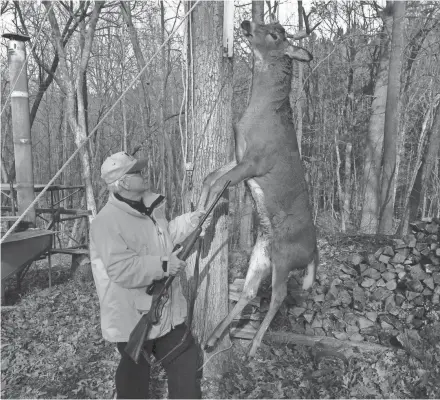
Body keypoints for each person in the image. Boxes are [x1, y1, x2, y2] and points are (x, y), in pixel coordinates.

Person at [90, 151, 204, 399]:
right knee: (134, 378)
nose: (143, 175)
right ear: (123, 183)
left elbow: (165, 237)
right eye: (136, 172)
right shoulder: (106, 222)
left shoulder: (150, 209)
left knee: (186, 362)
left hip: (165, 311)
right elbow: (121, 269)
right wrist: (163, 266)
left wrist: (191, 221)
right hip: (131, 317)